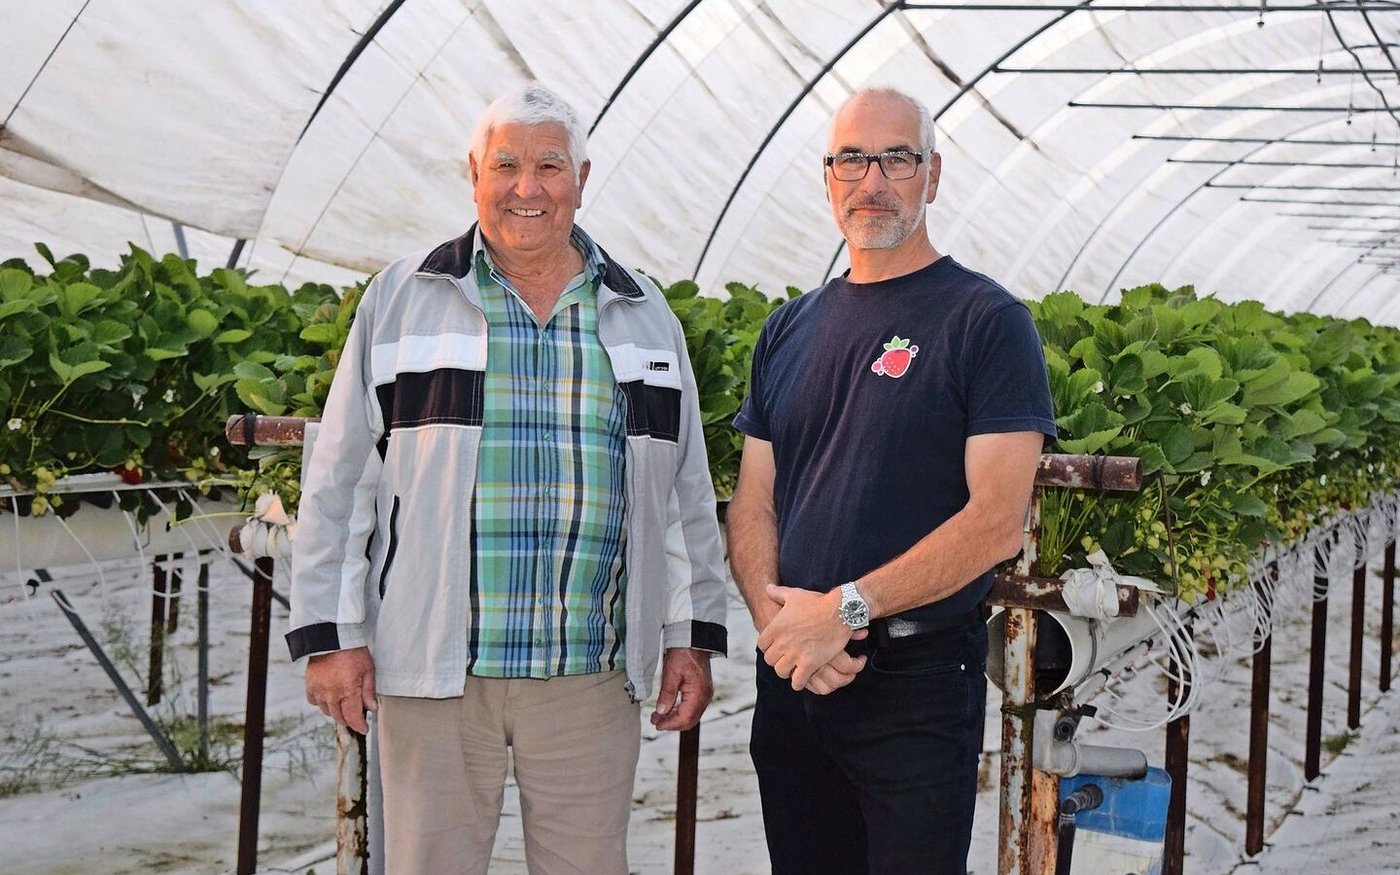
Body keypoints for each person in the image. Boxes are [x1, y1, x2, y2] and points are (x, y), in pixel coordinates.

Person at [286, 83, 727, 875]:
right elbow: (339, 481)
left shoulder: (642, 313)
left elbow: (683, 498)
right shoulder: (402, 301)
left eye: (550, 165)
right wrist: (332, 634)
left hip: (589, 675)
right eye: (508, 165)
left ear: (583, 178)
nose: (529, 187)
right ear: (474, 173)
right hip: (434, 671)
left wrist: (689, 637)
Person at [727, 87, 1057, 874]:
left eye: (897, 159)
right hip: (795, 681)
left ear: (932, 175)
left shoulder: (986, 321)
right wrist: (786, 627)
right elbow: (754, 501)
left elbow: (995, 522)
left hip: (913, 689)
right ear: (828, 177)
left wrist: (845, 609)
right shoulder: (790, 327)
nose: (872, 180)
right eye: (852, 159)